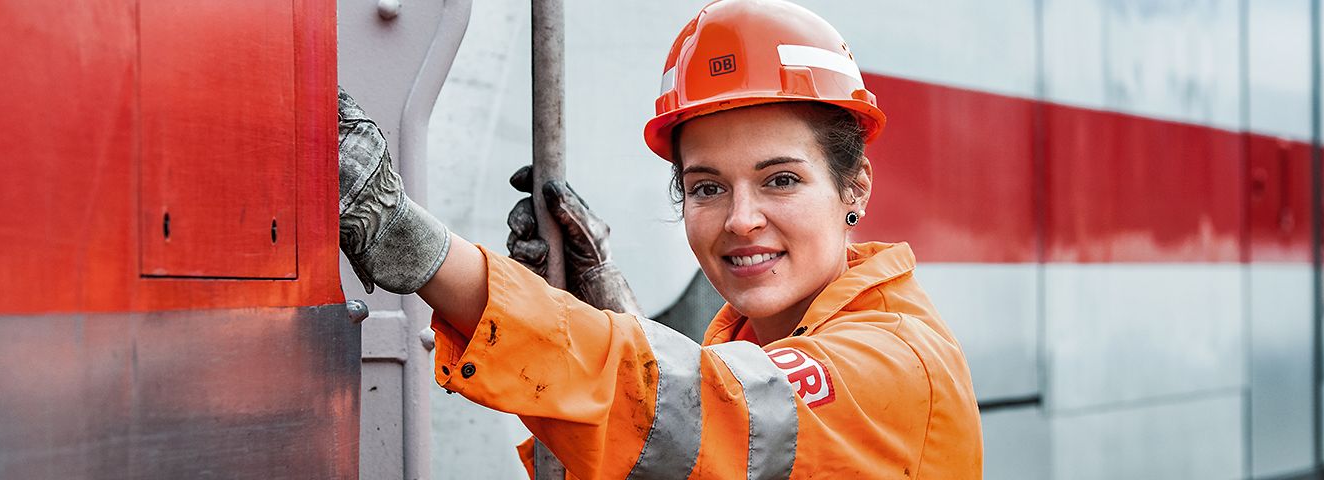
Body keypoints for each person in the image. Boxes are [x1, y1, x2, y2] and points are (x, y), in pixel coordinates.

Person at [333, 0, 983, 477]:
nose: (740, 219)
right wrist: (606, 323)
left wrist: (414, 248)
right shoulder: (746, 346)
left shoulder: (896, 363)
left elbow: (710, 410)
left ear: (856, 188)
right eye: (706, 187)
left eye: (780, 179)